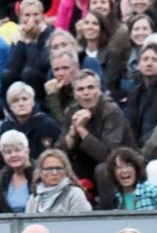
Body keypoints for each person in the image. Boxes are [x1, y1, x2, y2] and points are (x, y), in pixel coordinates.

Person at [55, 69, 135, 203]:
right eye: (80, 89)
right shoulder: (72, 112)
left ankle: (106, 212)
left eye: (90, 88)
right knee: (62, 169)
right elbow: (59, 153)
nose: (86, 93)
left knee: (102, 170)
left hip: (122, 162)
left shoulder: (111, 111)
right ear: (75, 94)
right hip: (88, 163)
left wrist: (81, 130)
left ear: (99, 90)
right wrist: (72, 132)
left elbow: (108, 155)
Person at [124, 41, 157, 150]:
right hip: (137, 149)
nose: (149, 63)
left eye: (155, 60)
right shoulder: (135, 92)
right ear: (138, 65)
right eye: (145, 59)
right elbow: (130, 127)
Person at [2, 0, 54, 103]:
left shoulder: (49, 34)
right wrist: (22, 39)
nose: (32, 19)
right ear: (20, 17)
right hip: (20, 78)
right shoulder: (18, 34)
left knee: (28, 72)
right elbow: (13, 67)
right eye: (27, 15)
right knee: (6, 74)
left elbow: (39, 64)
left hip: (40, 79)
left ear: (42, 16)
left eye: (36, 15)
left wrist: (30, 41)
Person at [0, 82, 61, 161]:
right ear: (10, 106)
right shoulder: (6, 127)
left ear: (33, 102)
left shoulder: (48, 125)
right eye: (15, 101)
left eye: (25, 99)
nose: (21, 104)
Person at [103, 146, 157, 210]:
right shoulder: (115, 197)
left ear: (136, 169)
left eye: (128, 166)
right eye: (119, 167)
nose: (124, 171)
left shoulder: (153, 191)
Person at [26, 149, 93, 213]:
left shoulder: (75, 194)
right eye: (49, 168)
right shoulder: (33, 199)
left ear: (66, 171)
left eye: (59, 168)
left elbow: (83, 223)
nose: (54, 173)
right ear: (40, 172)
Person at [0, 130, 34, 213]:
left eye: (17, 150)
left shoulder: (39, 175)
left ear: (27, 151)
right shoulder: (2, 179)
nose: (13, 155)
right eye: (8, 152)